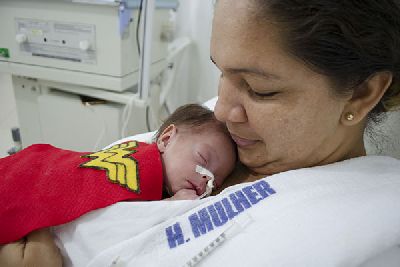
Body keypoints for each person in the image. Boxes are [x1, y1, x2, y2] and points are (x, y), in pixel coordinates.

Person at [2, 0, 400, 266]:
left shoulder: (364, 226)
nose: (223, 109)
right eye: (221, 71)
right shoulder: (213, 125)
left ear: (362, 93)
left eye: (260, 89)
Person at [0, 103, 236, 243]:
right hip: (36, 170)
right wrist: (169, 205)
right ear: (166, 139)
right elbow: (127, 216)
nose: (207, 178)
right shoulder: (142, 162)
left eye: (215, 183)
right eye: (203, 160)